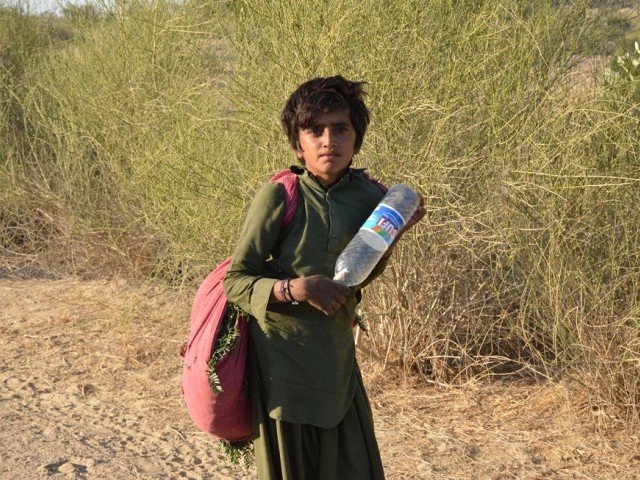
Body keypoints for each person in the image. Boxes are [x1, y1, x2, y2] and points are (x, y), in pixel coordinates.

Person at [223, 75, 425, 480]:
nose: (328, 139)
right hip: (282, 371)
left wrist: (394, 234)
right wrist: (295, 288)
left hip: (336, 366)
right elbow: (236, 281)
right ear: (298, 143)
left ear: (357, 139)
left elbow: (357, 276)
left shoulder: (371, 197)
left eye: (340, 128)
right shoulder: (280, 195)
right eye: (315, 130)